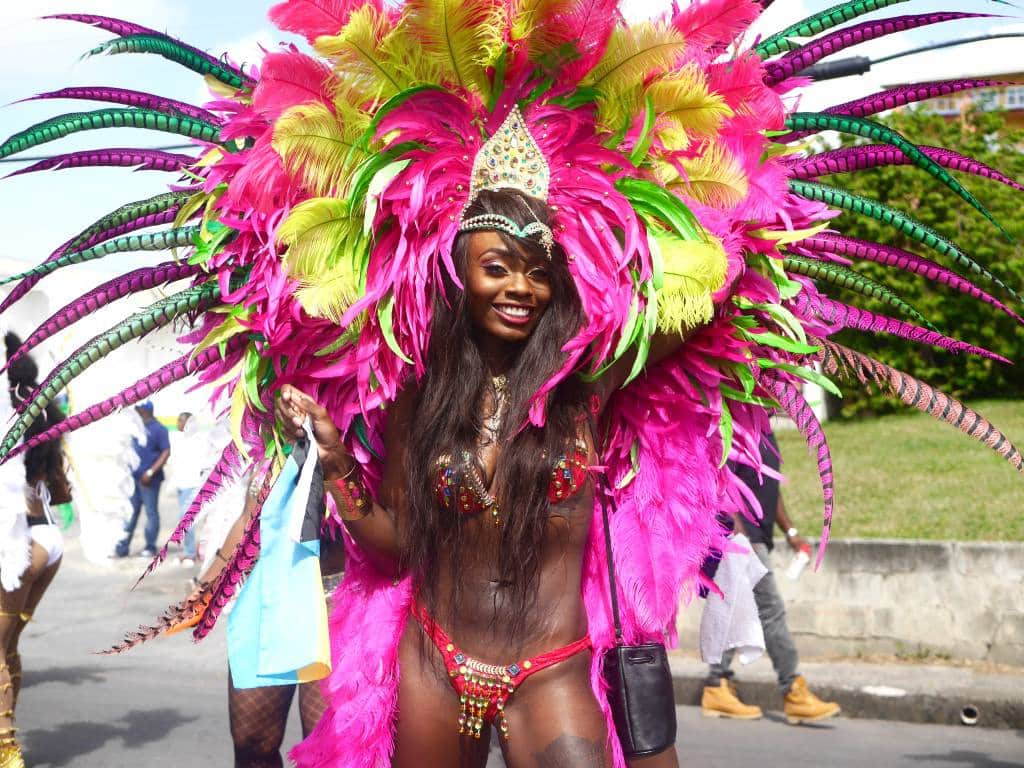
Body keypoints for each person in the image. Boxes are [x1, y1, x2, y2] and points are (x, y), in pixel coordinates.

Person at [2, 4, 1021, 768]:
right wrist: (336, 470)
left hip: (549, 670)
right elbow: (398, 541)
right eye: (498, 266)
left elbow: (716, 291)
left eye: (538, 270)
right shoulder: (414, 396)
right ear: (459, 271)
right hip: (435, 664)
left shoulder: (590, 385)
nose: (522, 286)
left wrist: (665, 179)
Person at [702, 432, 841, 724]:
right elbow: (718, 481)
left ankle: (717, 686)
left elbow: (769, 486)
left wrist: (790, 532)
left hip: (757, 537)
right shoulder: (733, 425)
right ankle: (792, 689)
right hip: (742, 538)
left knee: (735, 611)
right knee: (771, 611)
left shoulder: (762, 429)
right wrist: (738, 536)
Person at [0, 334, 71, 768]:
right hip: (49, 540)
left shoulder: (8, 415)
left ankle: (6, 750)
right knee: (7, 647)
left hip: (18, 543)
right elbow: (58, 488)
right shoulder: (39, 409)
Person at [115, 401, 169, 559]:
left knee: (151, 513)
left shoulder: (159, 429)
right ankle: (122, 548)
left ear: (143, 410)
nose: (135, 412)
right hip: (133, 479)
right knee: (130, 512)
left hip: (149, 480)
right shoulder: (135, 429)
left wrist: (151, 472)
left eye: (137, 409)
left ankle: (150, 547)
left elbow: (166, 452)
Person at [170, 412, 203, 567]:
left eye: (180, 420)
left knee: (186, 518)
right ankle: (187, 551)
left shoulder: (199, 441)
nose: (177, 423)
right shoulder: (178, 439)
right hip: (181, 485)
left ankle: (190, 553)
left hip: (193, 484)